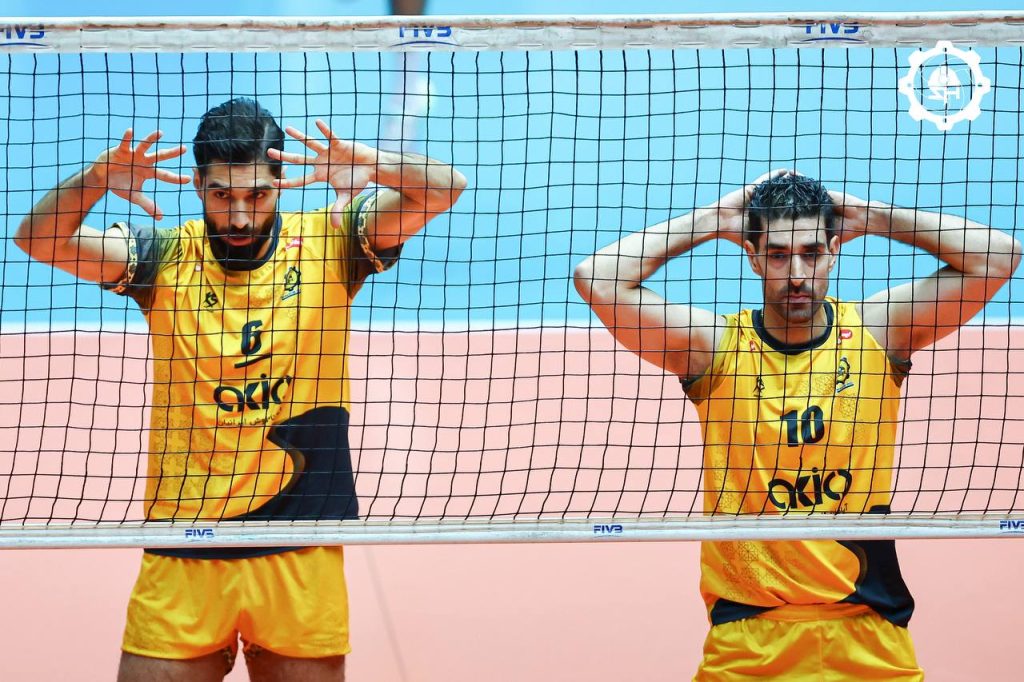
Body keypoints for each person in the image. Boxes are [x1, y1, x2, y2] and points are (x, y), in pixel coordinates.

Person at [14, 97, 466, 682]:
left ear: (281, 182)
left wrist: (373, 164)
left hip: (299, 540)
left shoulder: (333, 242)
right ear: (198, 185)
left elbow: (444, 189)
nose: (240, 217)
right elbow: (39, 241)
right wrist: (97, 178)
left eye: (258, 195)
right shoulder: (164, 256)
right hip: (186, 540)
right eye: (221, 195)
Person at [573, 170, 1020, 680]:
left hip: (869, 638)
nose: (798, 274)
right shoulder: (715, 349)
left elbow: (999, 257)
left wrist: (869, 216)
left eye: (812, 253)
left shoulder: (877, 333)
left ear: (834, 251)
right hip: (749, 644)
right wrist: (714, 218)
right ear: (753, 257)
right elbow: (597, 279)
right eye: (779, 255)